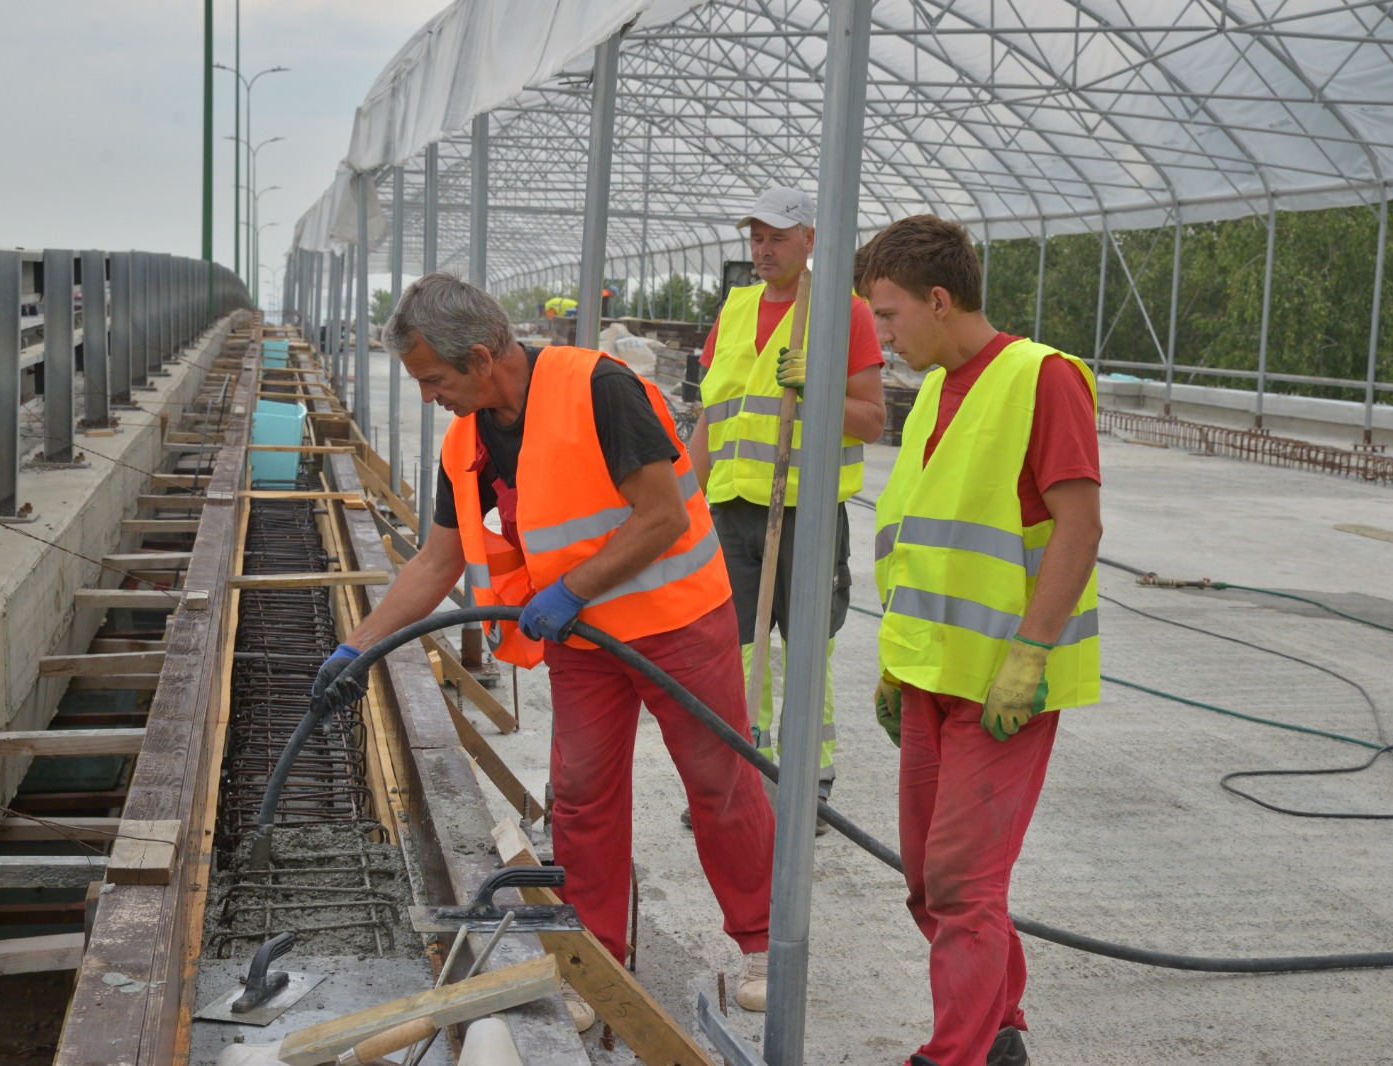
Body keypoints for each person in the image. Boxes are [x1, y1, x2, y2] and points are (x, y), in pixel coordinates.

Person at [317, 272, 776, 1030]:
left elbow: (661, 516)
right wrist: (358, 646)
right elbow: (437, 561)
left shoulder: (600, 388)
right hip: (584, 638)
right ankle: (594, 962)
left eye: (435, 380)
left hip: (675, 619)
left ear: (480, 356)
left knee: (718, 783)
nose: (431, 397)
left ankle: (761, 944)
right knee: (582, 793)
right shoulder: (466, 440)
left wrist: (571, 587)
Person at [860, 215, 1101, 1066]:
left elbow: (1078, 526)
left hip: (1004, 684)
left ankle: (953, 1054)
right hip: (930, 675)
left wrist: (1031, 653)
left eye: (888, 315)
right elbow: (919, 539)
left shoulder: (1042, 379)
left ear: (937, 298)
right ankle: (1001, 1032)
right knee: (930, 883)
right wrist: (895, 667)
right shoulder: (932, 391)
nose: (880, 334)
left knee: (964, 882)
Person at [686, 186, 886, 832]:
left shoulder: (840, 313)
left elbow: (874, 419)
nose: (763, 249)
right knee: (733, 650)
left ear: (809, 241)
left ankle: (807, 786)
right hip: (734, 511)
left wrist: (820, 387)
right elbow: (709, 419)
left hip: (806, 514)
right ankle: (742, 776)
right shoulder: (736, 309)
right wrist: (689, 502)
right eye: (756, 237)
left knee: (802, 651)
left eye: (776, 236)